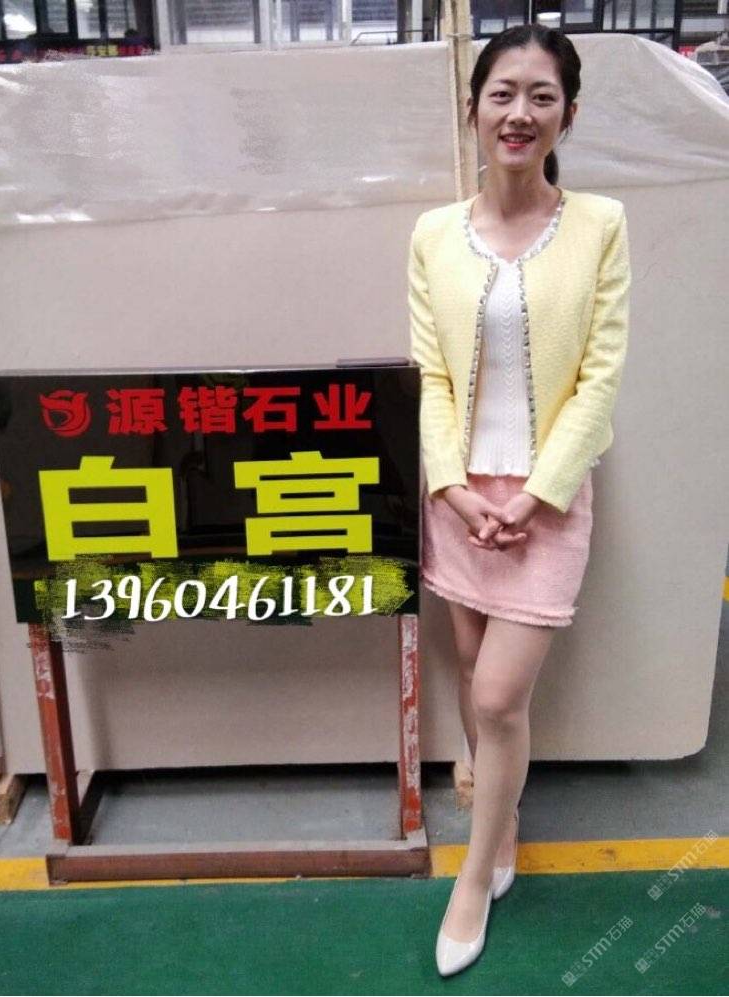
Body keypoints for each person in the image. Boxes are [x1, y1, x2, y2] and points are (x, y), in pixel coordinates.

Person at [407, 24, 631, 976]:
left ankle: (474, 874)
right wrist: (453, 490)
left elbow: (601, 375)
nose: (520, 113)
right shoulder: (433, 234)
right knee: (475, 680)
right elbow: (431, 374)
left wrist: (538, 496)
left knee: (500, 693)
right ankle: (501, 826)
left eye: (542, 96)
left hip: (549, 497)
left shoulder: (601, 224)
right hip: (460, 496)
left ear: (567, 116)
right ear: (474, 109)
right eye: (503, 93)